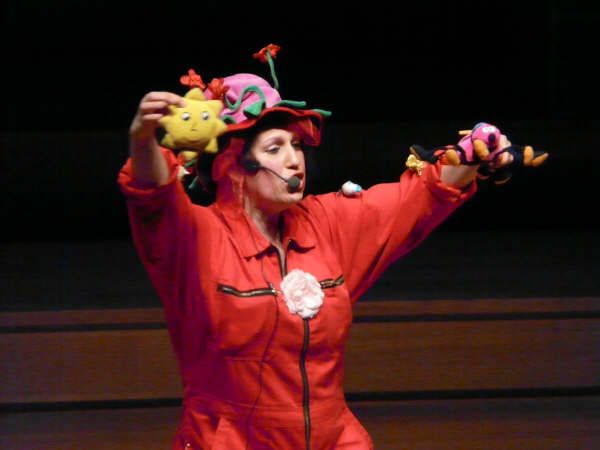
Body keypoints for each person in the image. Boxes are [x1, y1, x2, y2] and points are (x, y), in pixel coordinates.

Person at [117, 45, 543, 449]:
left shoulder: (326, 223)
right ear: (230, 166)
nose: (294, 159)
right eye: (275, 148)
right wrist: (143, 139)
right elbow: (153, 198)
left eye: (296, 146)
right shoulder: (197, 239)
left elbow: (417, 199)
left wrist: (474, 155)